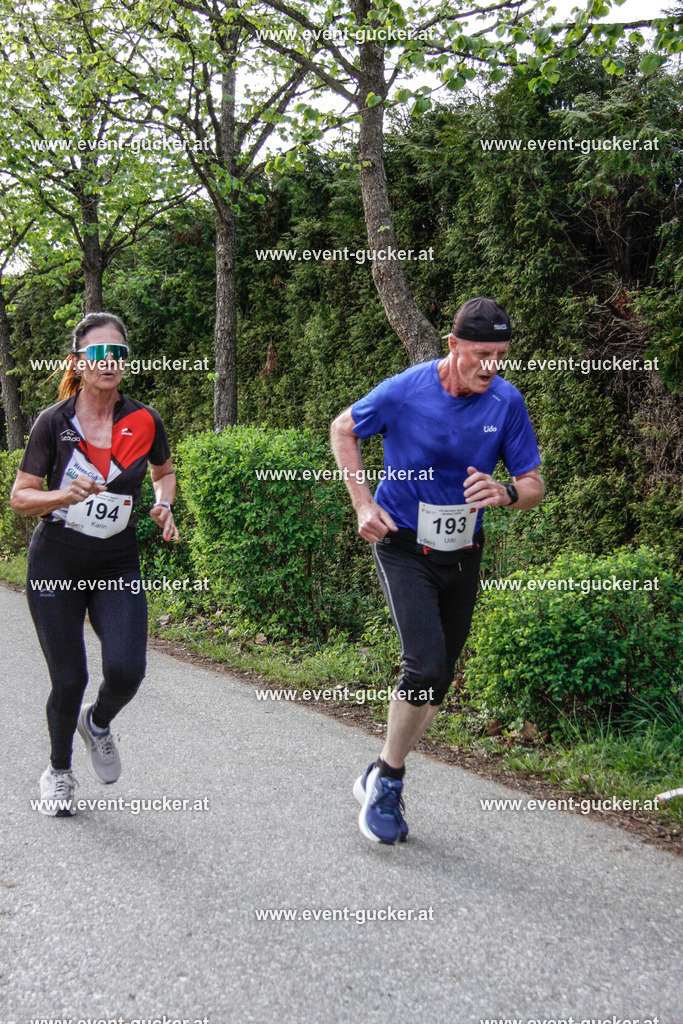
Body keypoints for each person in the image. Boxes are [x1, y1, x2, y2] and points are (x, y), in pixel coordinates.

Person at [330, 297, 544, 844]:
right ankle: (390, 782)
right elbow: (343, 428)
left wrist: (506, 491)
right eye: (480, 354)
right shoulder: (407, 389)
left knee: (440, 680)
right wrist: (361, 504)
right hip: (401, 542)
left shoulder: (506, 401)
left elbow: (534, 486)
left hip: (463, 551)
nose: (490, 366)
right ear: (452, 346)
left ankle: (378, 769)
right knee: (423, 667)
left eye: (500, 355)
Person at [11, 312, 179, 817]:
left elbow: (164, 473)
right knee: (69, 678)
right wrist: (64, 493)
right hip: (56, 560)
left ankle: (98, 722)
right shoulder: (52, 422)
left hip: (116, 561)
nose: (110, 362)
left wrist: (164, 503)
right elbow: (20, 498)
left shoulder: (145, 420)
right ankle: (58, 770)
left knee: (128, 669)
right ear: (78, 362)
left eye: (118, 353)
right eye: (99, 354)